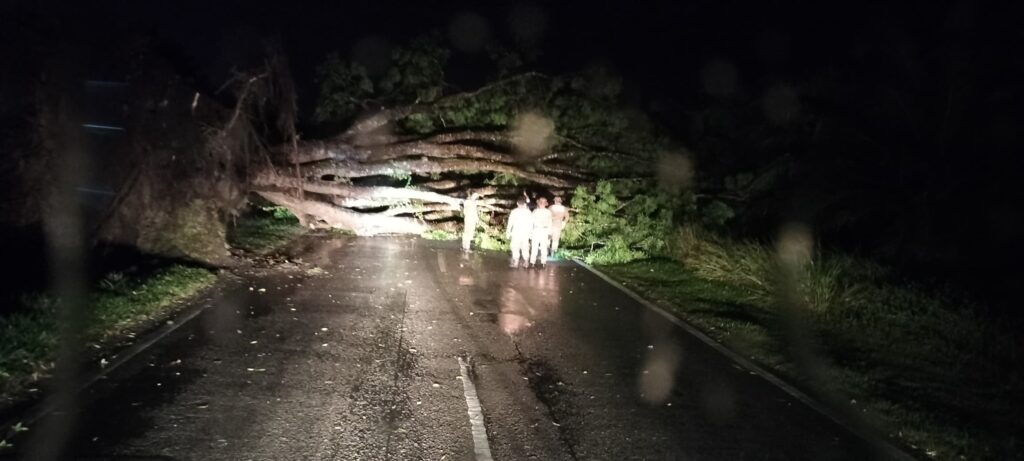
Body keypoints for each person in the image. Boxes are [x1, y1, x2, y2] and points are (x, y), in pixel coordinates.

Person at [506, 198, 533, 268]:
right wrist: (530, 234)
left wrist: (508, 232)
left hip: (516, 232)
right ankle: (526, 262)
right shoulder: (528, 212)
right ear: (524, 203)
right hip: (525, 233)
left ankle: (516, 262)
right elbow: (531, 224)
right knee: (525, 247)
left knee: (515, 247)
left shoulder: (514, 211)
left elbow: (510, 223)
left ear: (517, 203)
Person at [530, 197, 553, 267]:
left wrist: (531, 232)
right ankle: (543, 262)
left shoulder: (535, 211)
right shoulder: (548, 212)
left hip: (537, 230)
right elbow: (550, 223)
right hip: (543, 230)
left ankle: (533, 262)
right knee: (543, 247)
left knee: (535, 247)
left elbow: (531, 222)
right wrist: (550, 233)